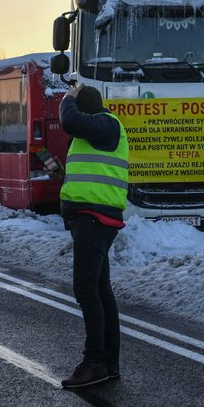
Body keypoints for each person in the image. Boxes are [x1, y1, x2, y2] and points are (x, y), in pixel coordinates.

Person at [58, 83, 128, 389]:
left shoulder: (106, 123)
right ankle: (108, 363)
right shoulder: (97, 132)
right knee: (100, 291)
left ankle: (95, 361)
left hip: (94, 219)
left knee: (86, 289)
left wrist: (67, 98)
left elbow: (69, 120)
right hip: (92, 218)